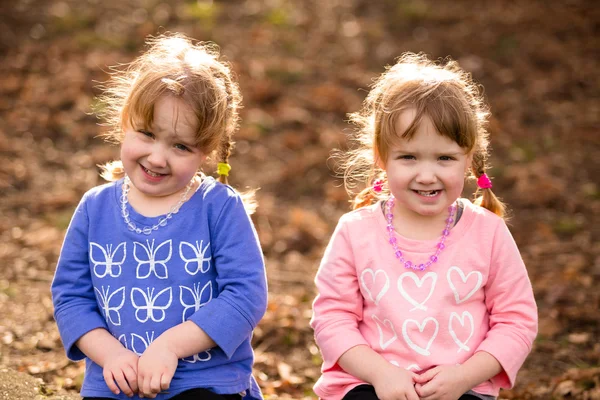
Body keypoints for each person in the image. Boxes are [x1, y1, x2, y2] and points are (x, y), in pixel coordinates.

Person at [51, 33, 268, 400]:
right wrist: (111, 355)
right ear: (125, 122)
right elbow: (71, 297)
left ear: (207, 152)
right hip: (116, 384)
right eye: (147, 134)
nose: (157, 157)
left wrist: (169, 346)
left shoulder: (218, 207)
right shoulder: (95, 208)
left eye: (180, 146)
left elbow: (245, 295)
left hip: (203, 382)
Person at [310, 53, 538, 400]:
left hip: (463, 389)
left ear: (469, 158)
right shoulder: (355, 232)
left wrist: (464, 376)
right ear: (381, 157)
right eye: (409, 157)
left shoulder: (487, 233)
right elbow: (332, 320)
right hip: (370, 385)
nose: (427, 175)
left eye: (445, 158)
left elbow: (516, 321)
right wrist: (381, 373)